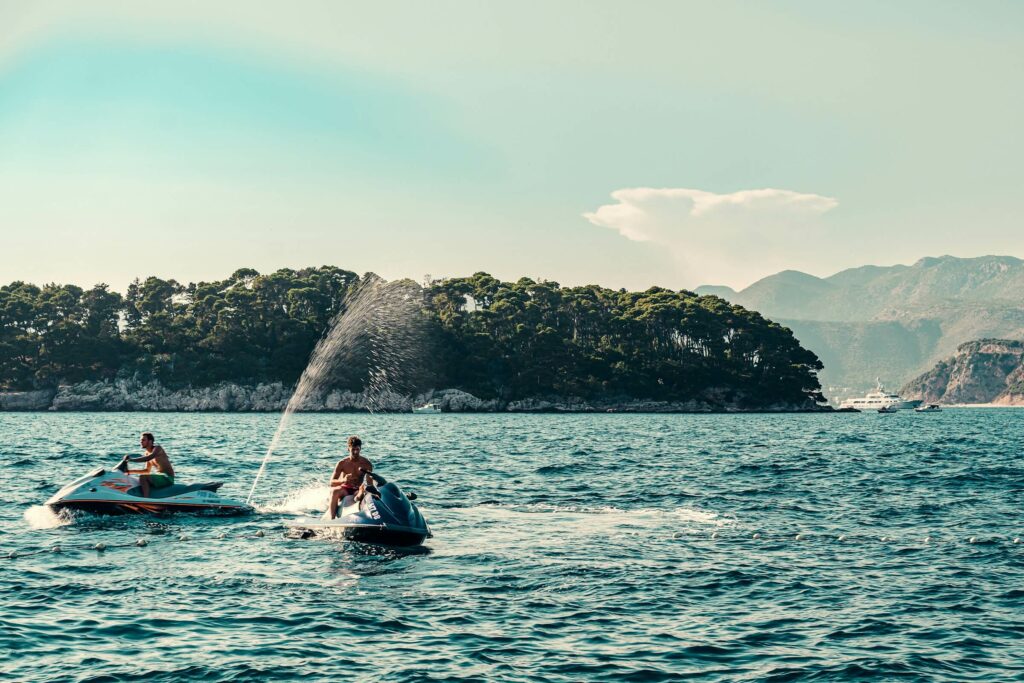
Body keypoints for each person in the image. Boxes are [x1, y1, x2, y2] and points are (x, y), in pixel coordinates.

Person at [326, 436, 373, 520]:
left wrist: (371, 492)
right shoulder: (342, 463)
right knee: (334, 491)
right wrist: (343, 480)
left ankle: (359, 496)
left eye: (357, 449)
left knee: (363, 491)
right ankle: (332, 519)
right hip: (345, 489)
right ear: (348, 449)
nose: (355, 452)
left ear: (360, 449)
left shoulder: (366, 464)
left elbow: (370, 483)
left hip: (357, 490)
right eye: (353, 450)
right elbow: (331, 483)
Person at [126, 432, 175, 498]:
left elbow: (149, 457)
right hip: (160, 477)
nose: (141, 442)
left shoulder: (157, 448)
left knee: (143, 477)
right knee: (140, 478)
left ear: (150, 441)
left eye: (143, 440)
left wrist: (131, 460)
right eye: (141, 440)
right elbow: (146, 470)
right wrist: (129, 471)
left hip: (167, 478)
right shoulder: (147, 453)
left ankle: (145, 499)